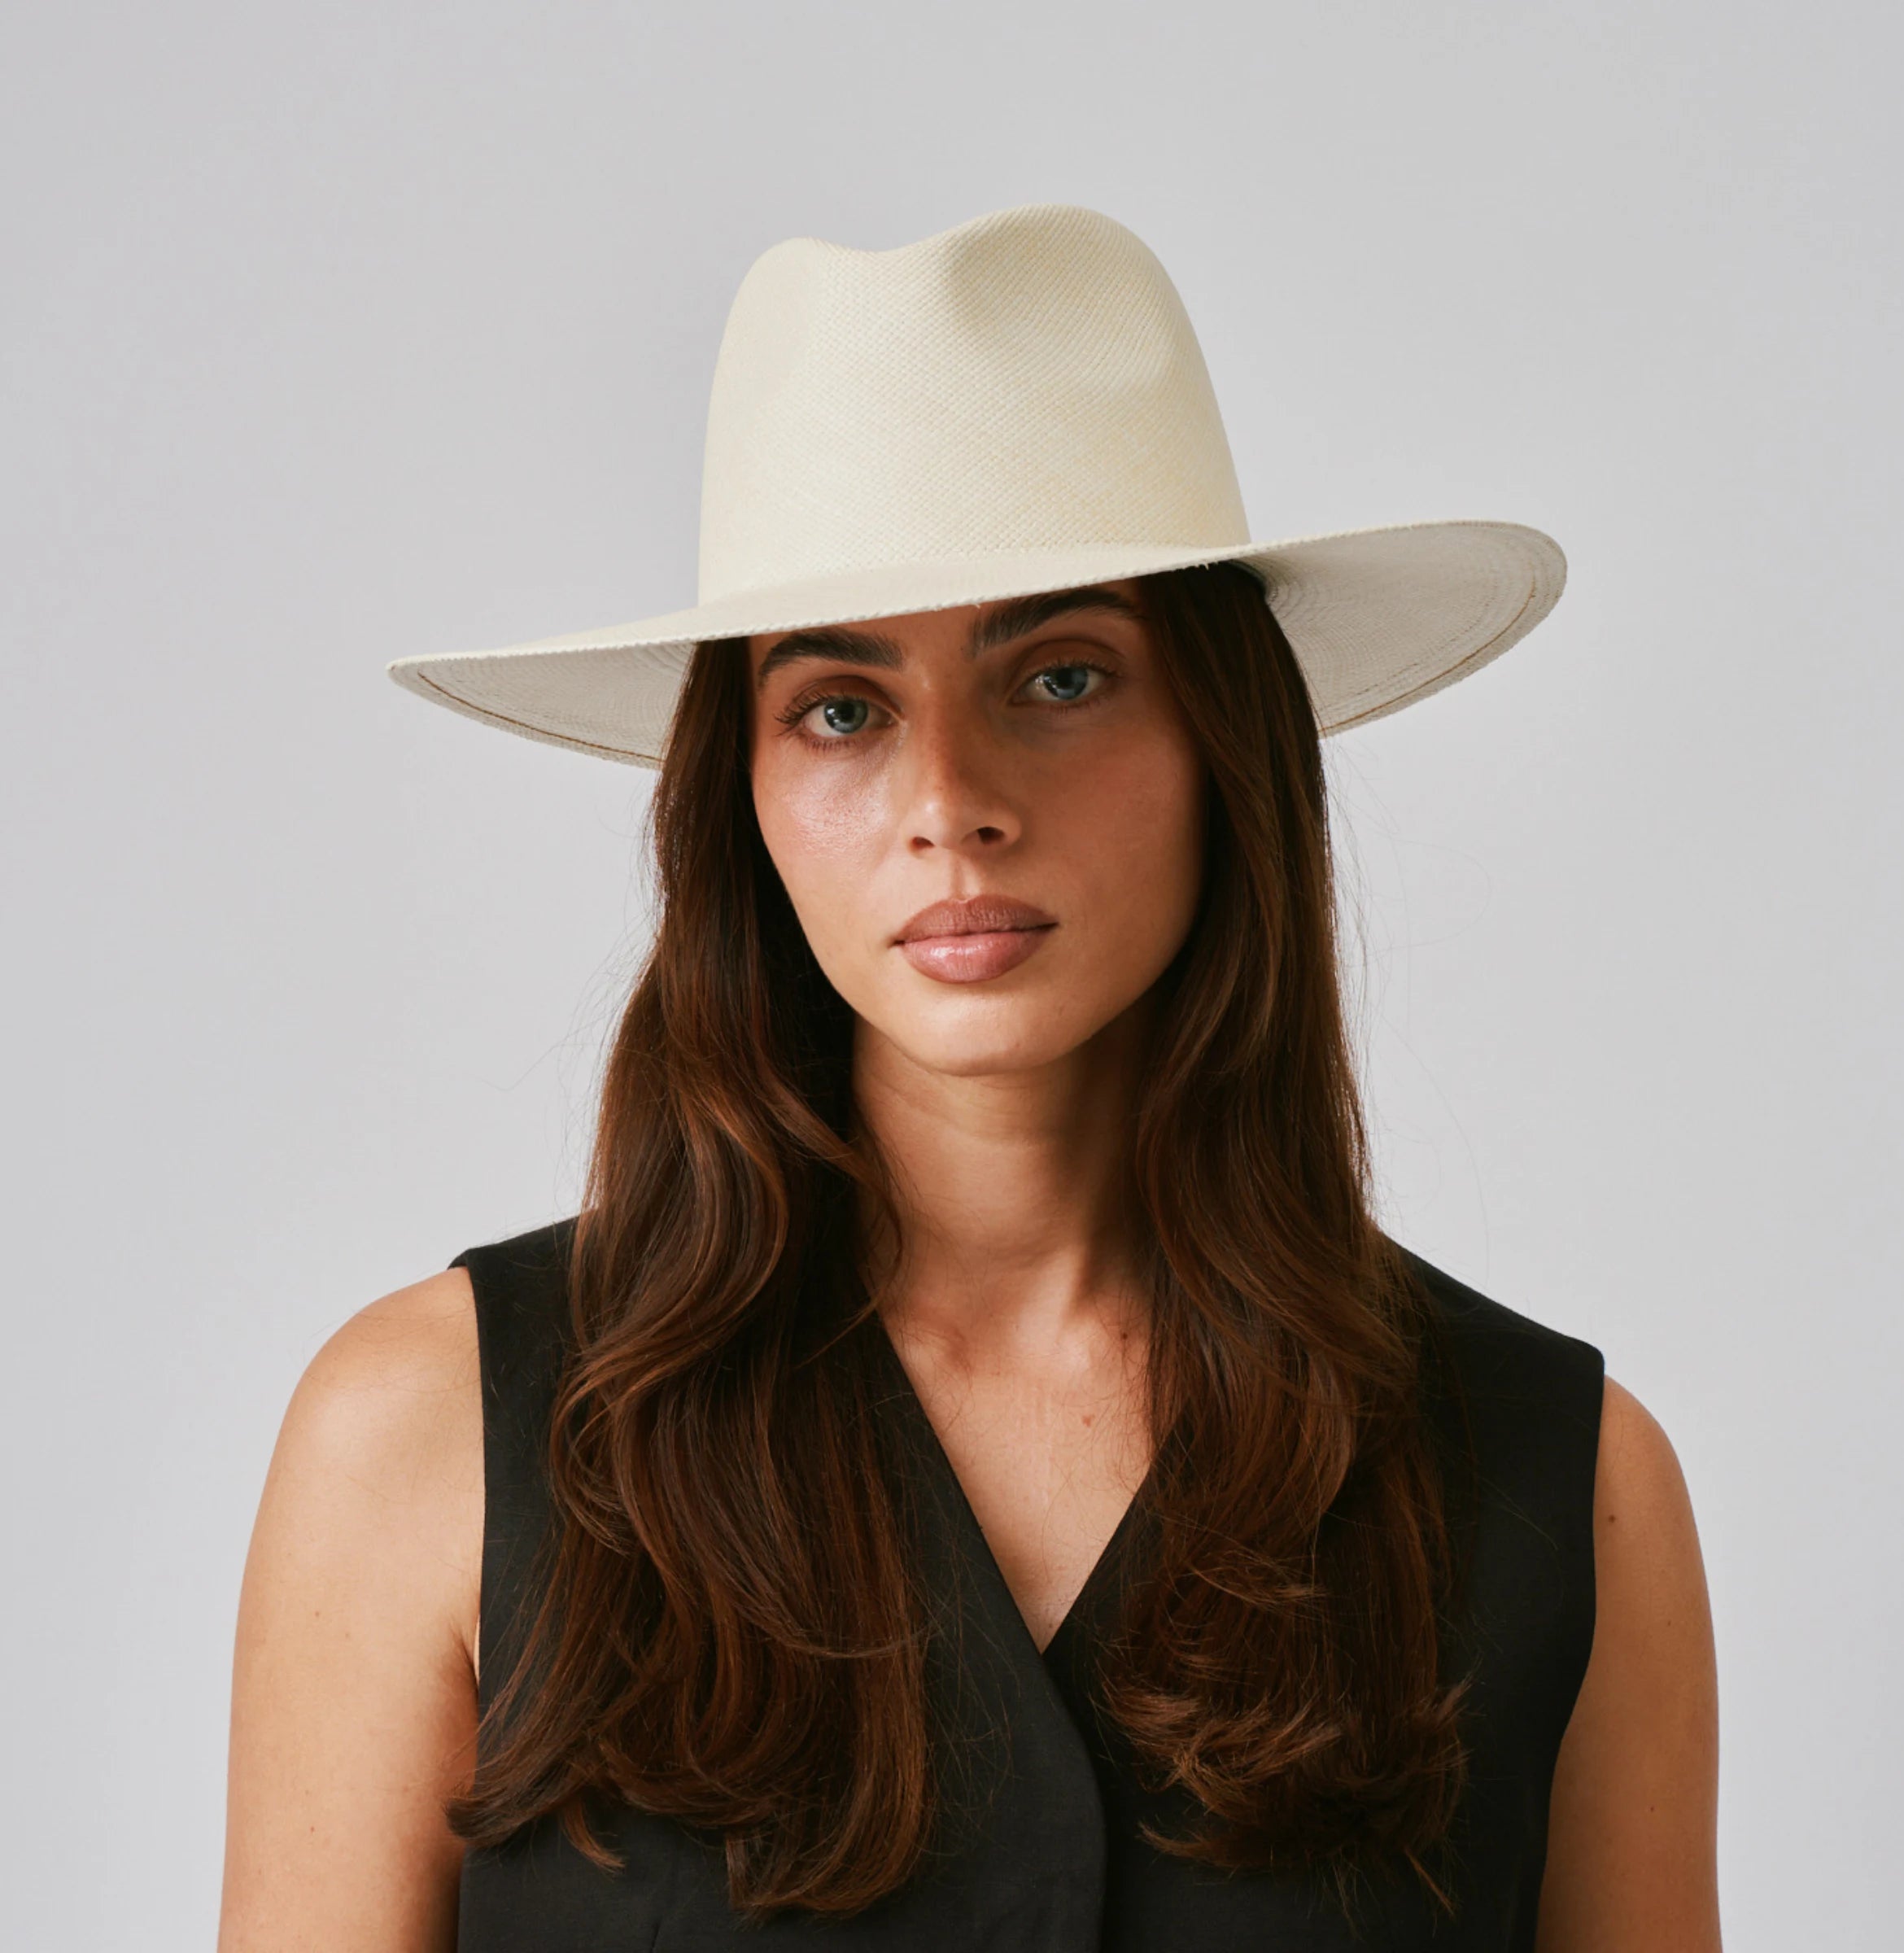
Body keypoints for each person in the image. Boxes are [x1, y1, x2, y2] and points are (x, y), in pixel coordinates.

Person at [218, 204, 1719, 1951]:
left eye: (1061, 675)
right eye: (842, 708)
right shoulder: (426, 1441)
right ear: (743, 793)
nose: (951, 798)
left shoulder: (1564, 1480)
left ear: (1217, 739)